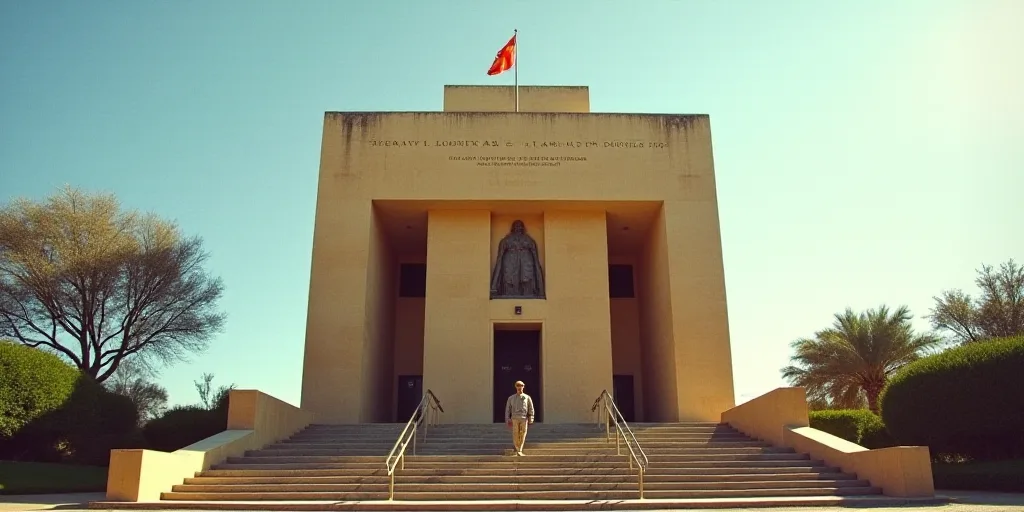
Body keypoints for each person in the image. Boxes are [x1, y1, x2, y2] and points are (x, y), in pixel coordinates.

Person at [504, 380, 535, 456]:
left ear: (523, 387)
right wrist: (507, 418)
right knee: (515, 434)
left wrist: (531, 417)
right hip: (515, 418)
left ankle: (520, 449)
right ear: (515, 387)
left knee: (523, 433)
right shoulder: (511, 398)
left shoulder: (527, 397)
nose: (519, 387)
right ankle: (517, 449)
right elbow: (507, 409)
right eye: (518, 385)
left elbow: (531, 408)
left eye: (521, 385)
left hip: (524, 418)